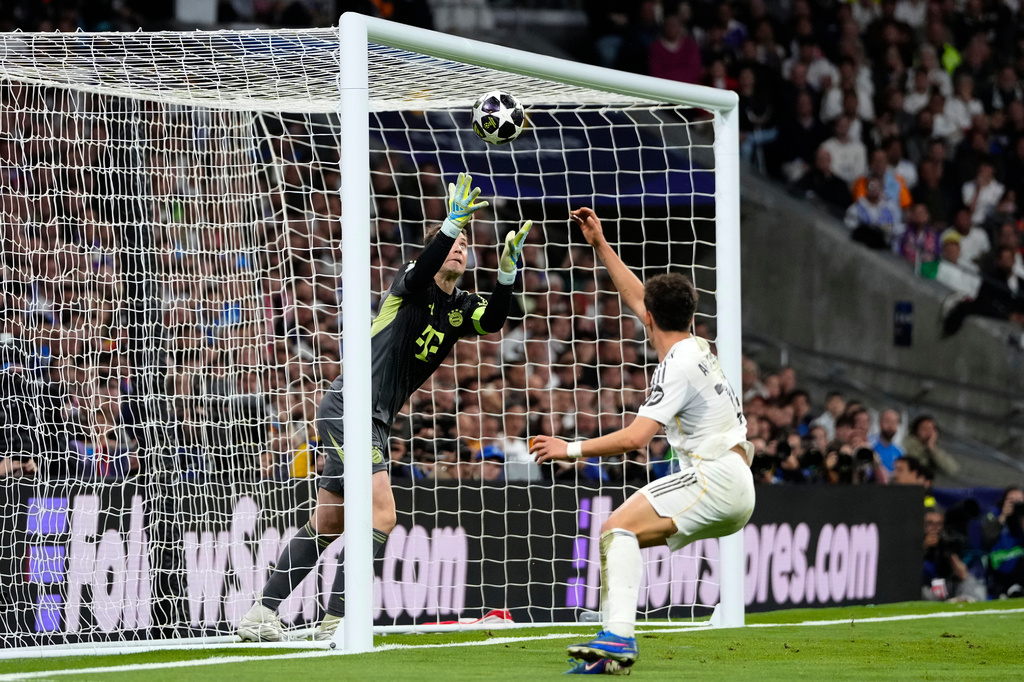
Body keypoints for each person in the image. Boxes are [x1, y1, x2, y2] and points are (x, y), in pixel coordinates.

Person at [237, 173, 531, 642]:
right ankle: (337, 619)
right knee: (383, 513)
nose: (459, 250)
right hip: (349, 406)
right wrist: (449, 227)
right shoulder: (408, 286)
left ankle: (261, 613)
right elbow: (426, 263)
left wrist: (506, 276)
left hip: (371, 416)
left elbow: (494, 320)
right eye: (452, 245)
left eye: (464, 247)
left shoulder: (460, 306)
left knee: (330, 522)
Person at [532, 207, 753, 672]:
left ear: (649, 318)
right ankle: (611, 650)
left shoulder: (675, 365)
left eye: (643, 312)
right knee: (619, 535)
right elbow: (638, 298)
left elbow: (637, 438)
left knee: (614, 528)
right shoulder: (697, 345)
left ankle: (617, 637)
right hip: (734, 481)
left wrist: (568, 449)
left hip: (715, 476)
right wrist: (600, 245)